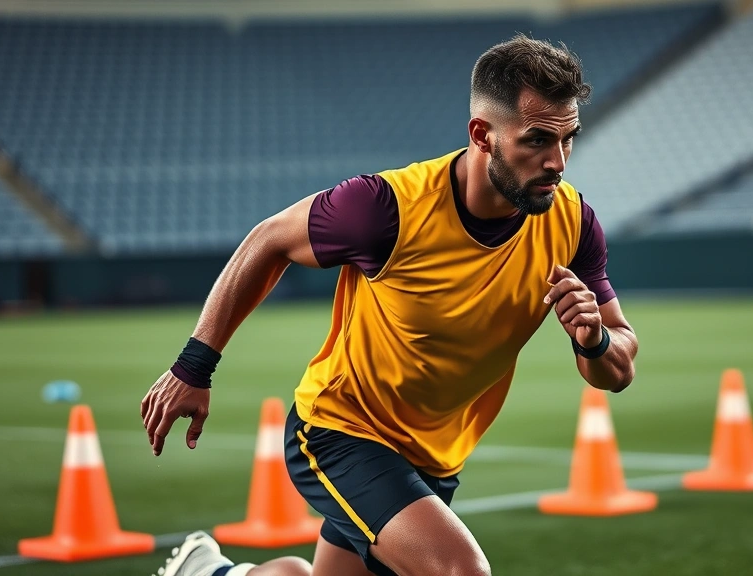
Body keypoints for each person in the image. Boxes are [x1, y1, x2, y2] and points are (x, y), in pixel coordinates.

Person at [142, 33, 639, 576]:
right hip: (342, 429)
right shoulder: (386, 209)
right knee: (459, 571)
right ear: (482, 134)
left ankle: (215, 574)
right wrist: (195, 365)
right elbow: (268, 240)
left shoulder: (573, 224)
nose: (558, 161)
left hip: (436, 452)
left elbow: (616, 371)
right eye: (538, 140)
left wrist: (594, 339)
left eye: (568, 140)